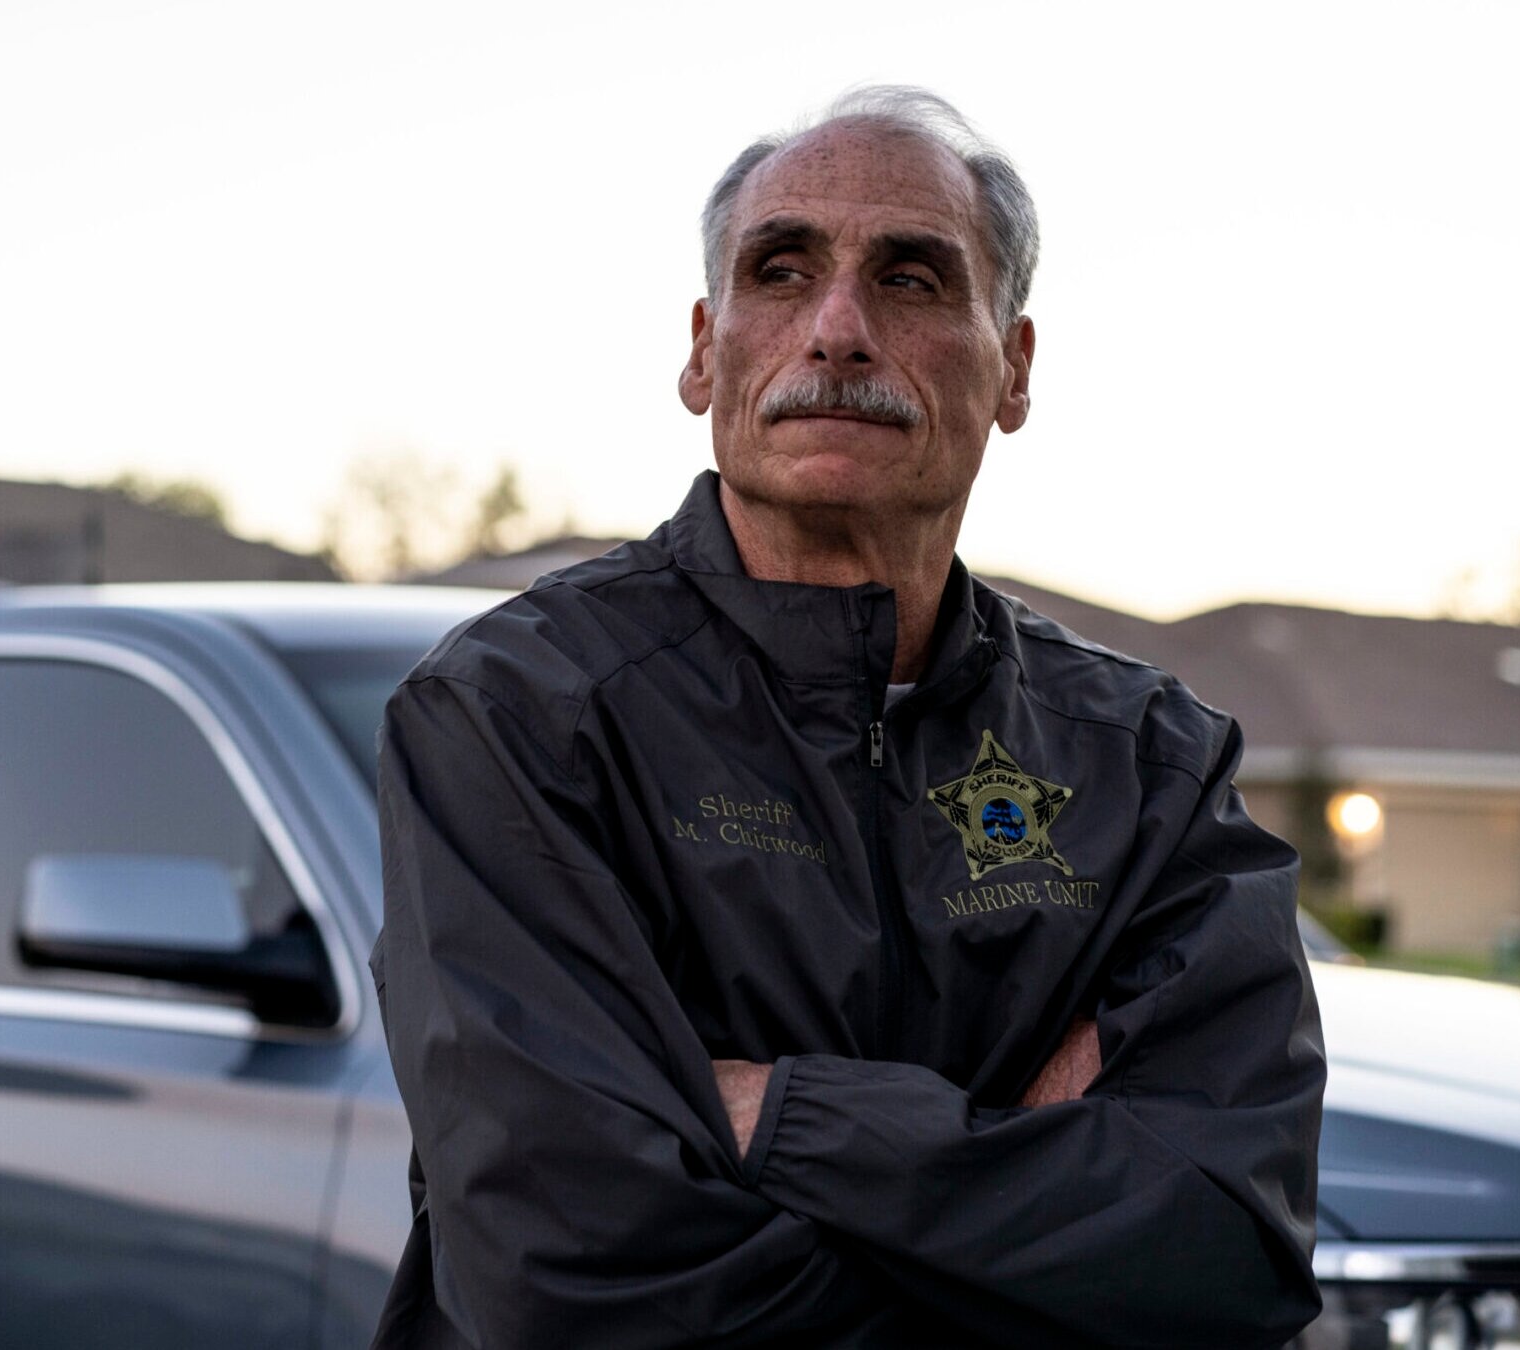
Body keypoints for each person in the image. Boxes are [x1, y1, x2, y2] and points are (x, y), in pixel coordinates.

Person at [370, 86, 1325, 1349]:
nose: (837, 329)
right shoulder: (514, 720)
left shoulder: (1149, 768)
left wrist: (780, 1119)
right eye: (781, 271)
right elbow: (575, 1280)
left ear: (1015, 367)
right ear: (706, 349)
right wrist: (1028, 1185)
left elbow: (1223, 1245)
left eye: (914, 280)